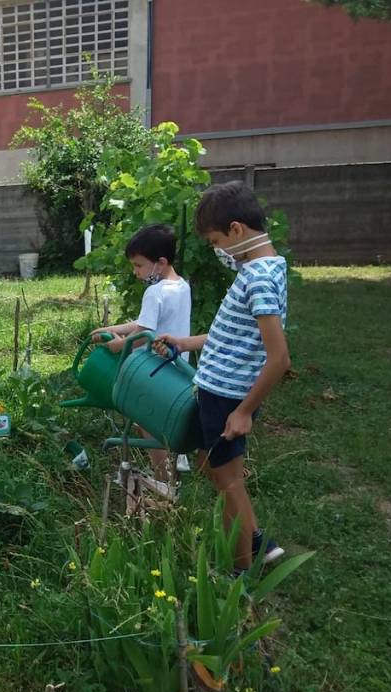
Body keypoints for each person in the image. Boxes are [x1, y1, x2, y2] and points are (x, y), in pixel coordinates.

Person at [154, 181, 289, 571]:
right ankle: (257, 540)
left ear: (236, 230)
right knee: (210, 466)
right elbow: (234, 335)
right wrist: (186, 342)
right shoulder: (261, 268)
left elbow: (279, 358)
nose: (218, 251)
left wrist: (244, 411)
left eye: (216, 241)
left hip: (228, 397)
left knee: (229, 484)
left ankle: (240, 573)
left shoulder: (257, 278)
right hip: (219, 391)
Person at [91, 224, 192, 484]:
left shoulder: (154, 292)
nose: (135, 272)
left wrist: (118, 345)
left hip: (154, 369)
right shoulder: (181, 286)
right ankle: (176, 462)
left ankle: (162, 476)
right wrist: (112, 329)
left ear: (160, 262)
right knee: (163, 419)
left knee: (146, 420)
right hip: (177, 369)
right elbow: (144, 323)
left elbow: (142, 334)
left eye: (138, 265)